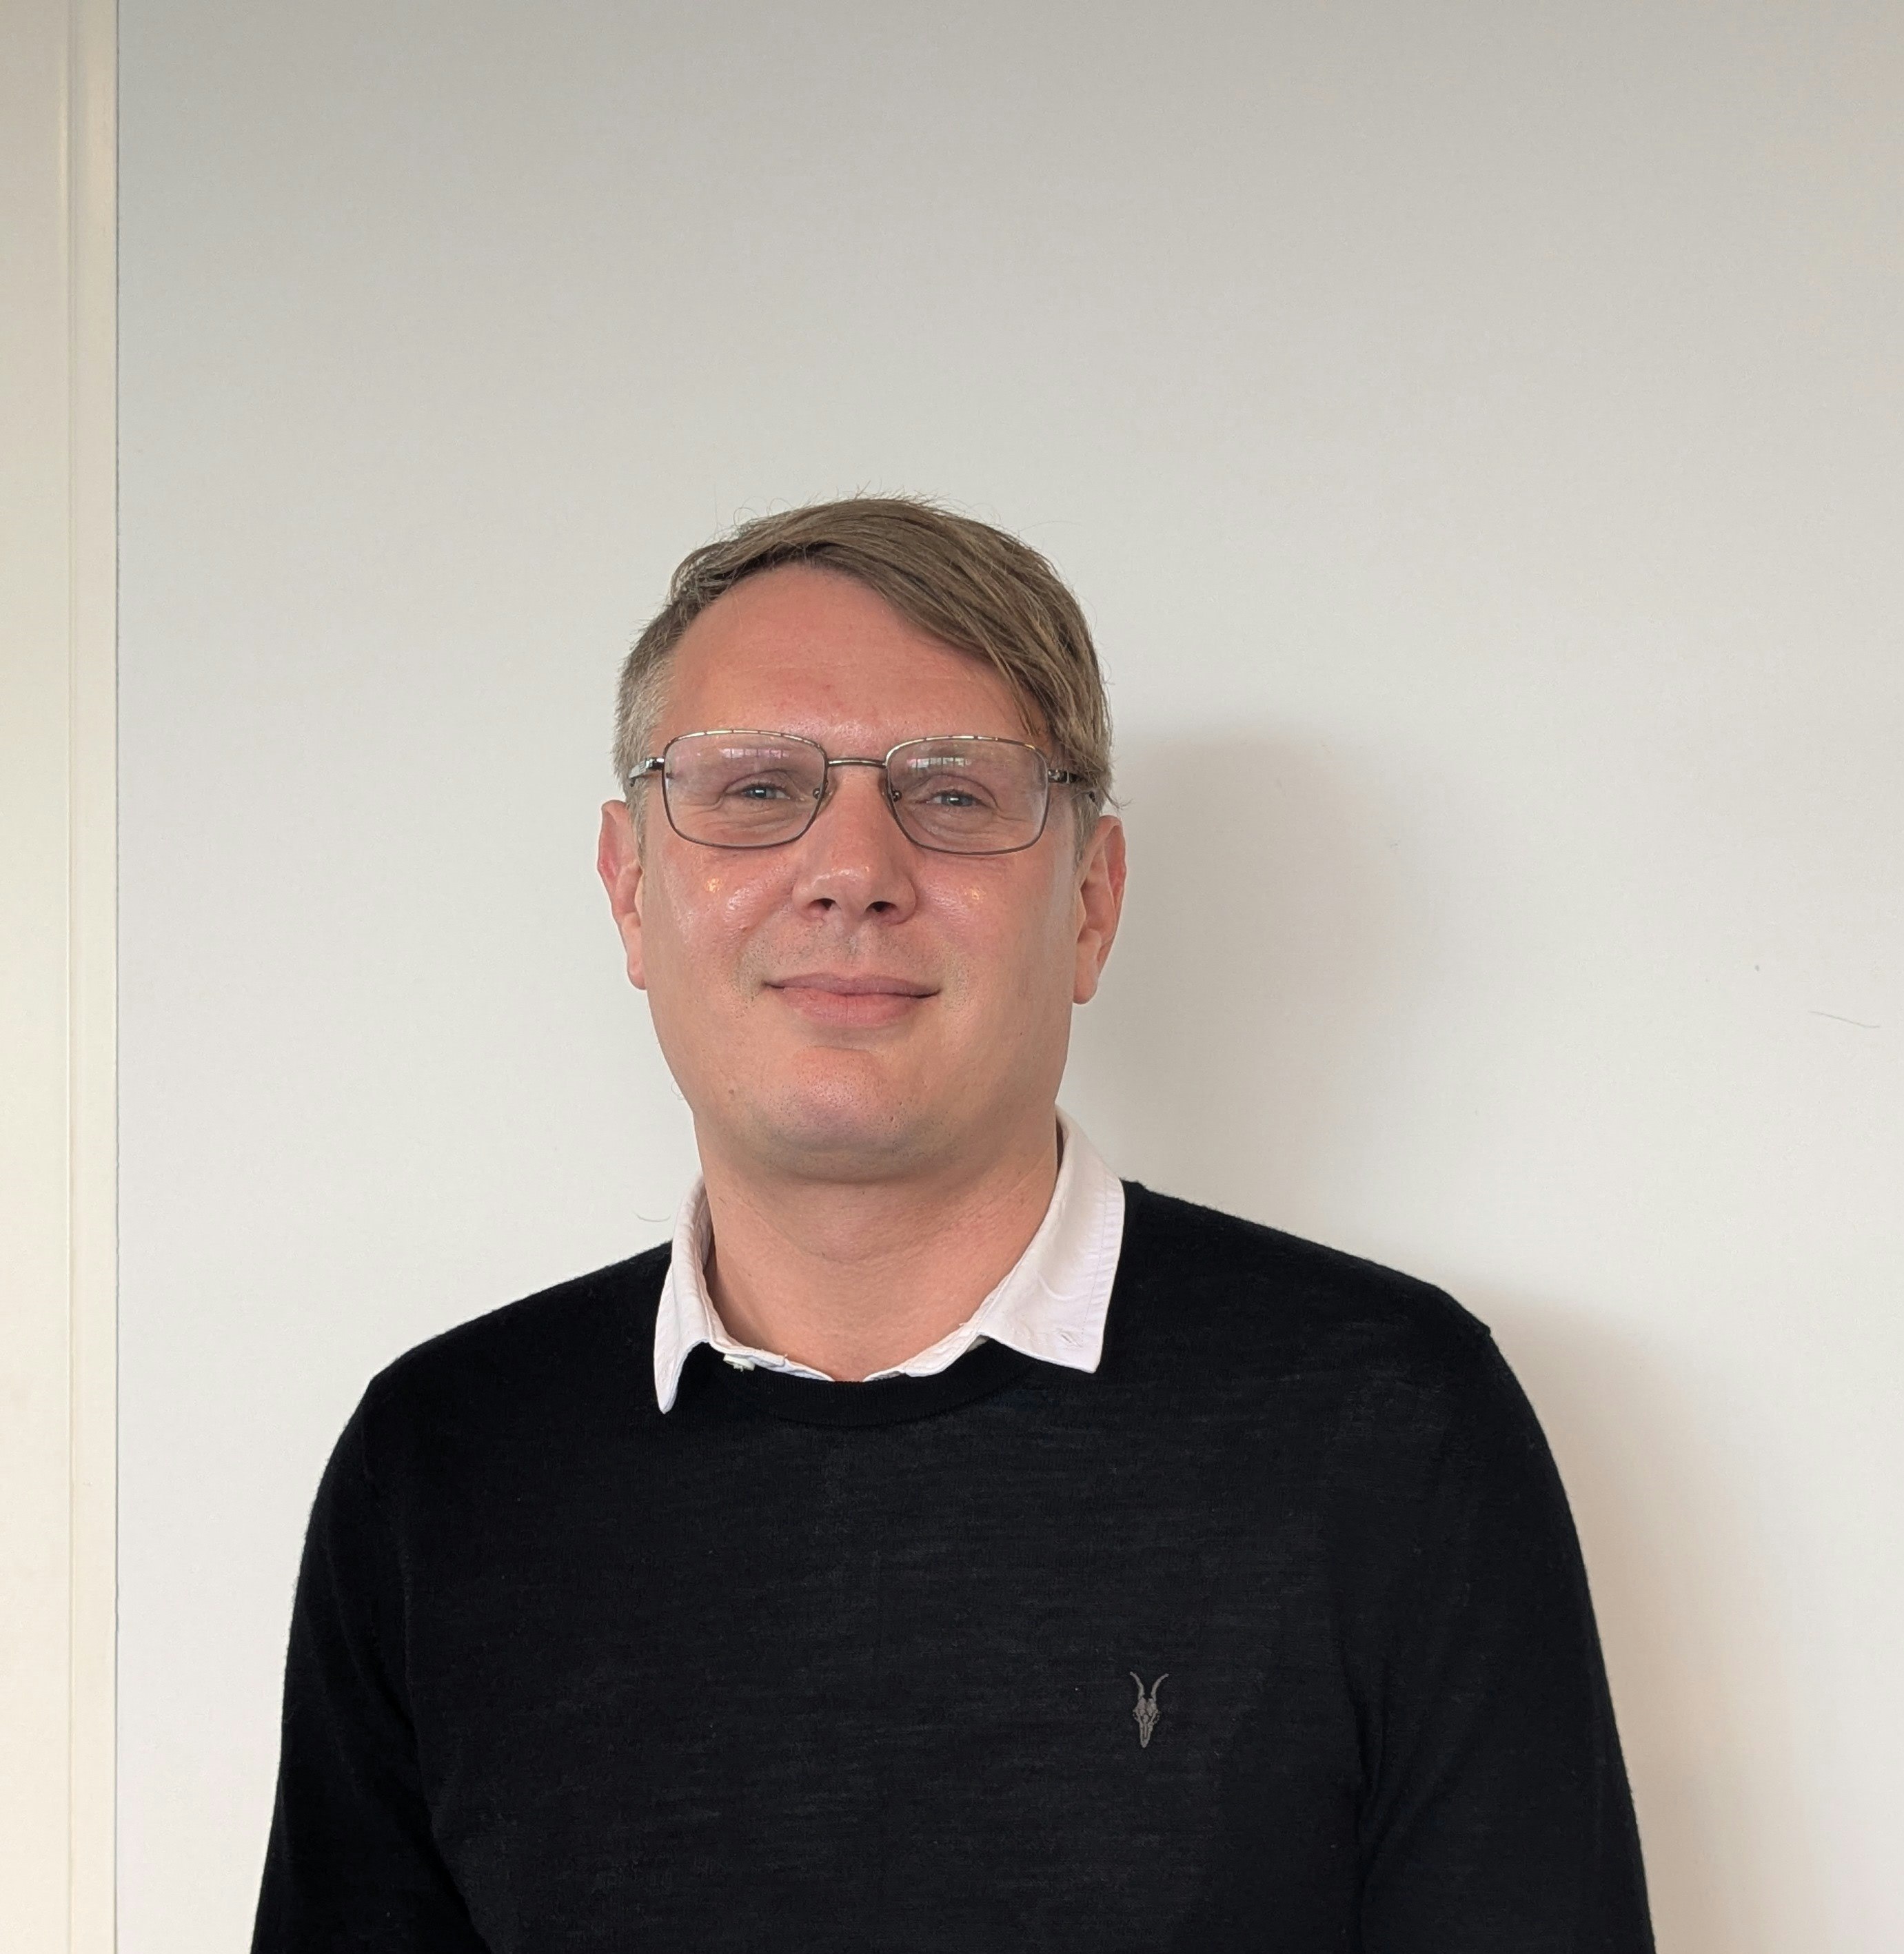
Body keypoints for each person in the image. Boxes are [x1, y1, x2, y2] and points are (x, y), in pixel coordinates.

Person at [252, 497, 1654, 1951]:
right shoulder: (444, 1460)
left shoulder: (1388, 1423)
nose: (853, 869)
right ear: (629, 890)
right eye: (755, 788)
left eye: (956, 795)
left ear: (1091, 901)